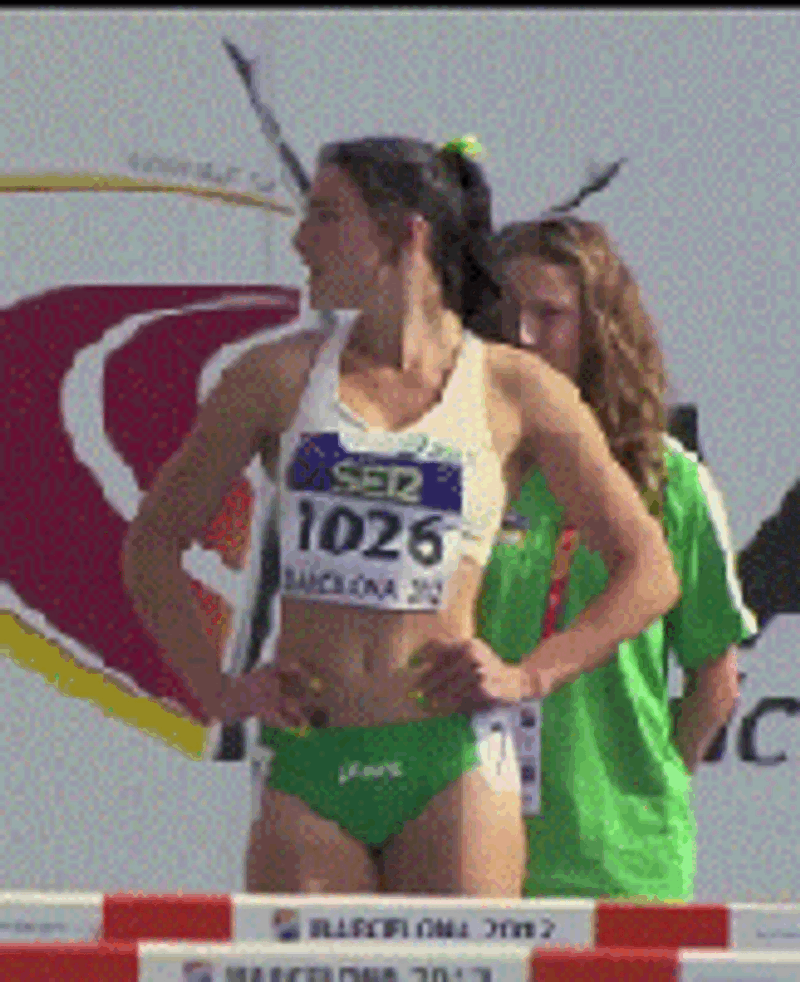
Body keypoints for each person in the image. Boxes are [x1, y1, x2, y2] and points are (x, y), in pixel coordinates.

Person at [122, 135, 679, 896]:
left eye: (326, 216)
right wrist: (218, 691)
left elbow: (649, 571)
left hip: (450, 763)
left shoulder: (515, 388)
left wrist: (529, 674)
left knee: (456, 960)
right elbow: (152, 546)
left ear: (406, 234)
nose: (300, 240)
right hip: (312, 761)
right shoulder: (274, 376)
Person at [451, 180, 757, 900]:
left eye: (550, 315)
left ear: (600, 332)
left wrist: (649, 791)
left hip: (620, 862)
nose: (523, 336)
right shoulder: (457, 463)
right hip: (466, 841)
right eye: (506, 313)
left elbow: (715, 680)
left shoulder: (665, 479)